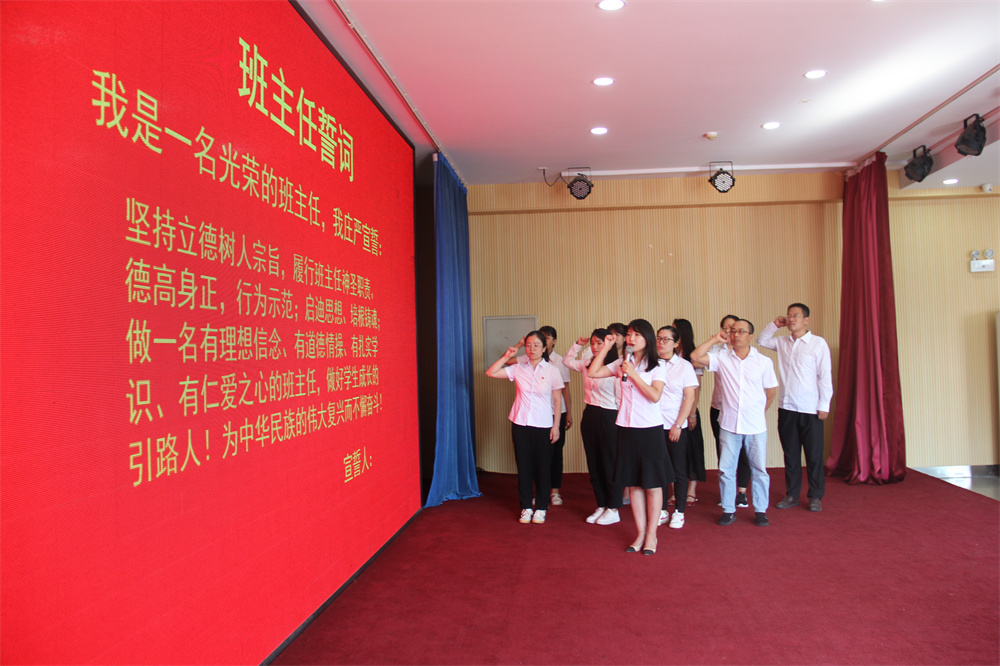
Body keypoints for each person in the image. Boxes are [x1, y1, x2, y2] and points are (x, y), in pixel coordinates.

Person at [588, 319, 671, 554]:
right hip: (626, 427)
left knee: (652, 484)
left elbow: (654, 396)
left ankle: (652, 535)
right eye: (629, 335)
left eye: (636, 335)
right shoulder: (623, 362)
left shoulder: (657, 365)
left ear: (647, 338)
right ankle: (640, 533)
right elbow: (593, 372)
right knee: (633, 484)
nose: (631, 339)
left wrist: (633, 374)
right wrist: (607, 346)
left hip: (649, 429)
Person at [692, 318, 778, 527]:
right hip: (729, 424)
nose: (736, 335)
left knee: (759, 469)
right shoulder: (722, 358)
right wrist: (715, 339)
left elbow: (770, 392)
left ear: (750, 336)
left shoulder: (763, 362)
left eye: (741, 331)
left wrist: (757, 412)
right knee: (726, 469)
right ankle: (728, 510)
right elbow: (695, 357)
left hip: (755, 425)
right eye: (733, 331)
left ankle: (760, 510)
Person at [757, 303, 833, 512]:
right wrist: (775, 324)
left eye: (796, 315)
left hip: (811, 409)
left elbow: (825, 376)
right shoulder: (782, 342)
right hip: (787, 407)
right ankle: (792, 494)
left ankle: (815, 496)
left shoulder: (818, 343)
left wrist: (824, 404)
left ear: (806, 320)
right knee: (790, 454)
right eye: (789, 315)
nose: (791, 319)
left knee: (814, 455)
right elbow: (761, 340)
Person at [486, 331, 563, 524]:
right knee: (524, 467)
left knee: (543, 468)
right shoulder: (519, 368)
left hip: (544, 425)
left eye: (536, 345)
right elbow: (491, 372)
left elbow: (557, 401)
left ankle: (542, 508)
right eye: (528, 345)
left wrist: (556, 426)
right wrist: (507, 355)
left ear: (544, 348)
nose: (532, 348)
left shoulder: (552, 371)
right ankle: (526, 507)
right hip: (520, 423)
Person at [563, 328, 622, 525]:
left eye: (600, 343)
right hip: (590, 414)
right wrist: (577, 345)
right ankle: (601, 505)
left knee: (609, 462)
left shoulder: (616, 366)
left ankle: (613, 508)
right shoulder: (587, 363)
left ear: (609, 344)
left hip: (610, 415)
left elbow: (620, 398)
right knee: (594, 463)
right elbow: (567, 361)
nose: (595, 347)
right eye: (593, 343)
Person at [702, 315, 752, 508]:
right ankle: (727, 493)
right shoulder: (718, 352)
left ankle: (742, 492)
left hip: (742, 410)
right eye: (726, 328)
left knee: (744, 452)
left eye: (734, 328)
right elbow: (696, 360)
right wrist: (713, 340)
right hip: (719, 407)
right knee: (724, 452)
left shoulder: (748, 354)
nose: (731, 332)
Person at [656, 326, 699, 529]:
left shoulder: (684, 366)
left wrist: (678, 425)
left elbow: (689, 398)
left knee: (678, 469)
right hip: (654, 425)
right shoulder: (651, 363)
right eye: (658, 338)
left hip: (675, 424)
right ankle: (662, 510)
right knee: (659, 469)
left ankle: (679, 511)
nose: (661, 342)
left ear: (676, 343)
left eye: (666, 339)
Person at [672, 318, 706, 505]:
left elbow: (696, 389)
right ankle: (675, 491)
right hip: (670, 413)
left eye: (675, 330)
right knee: (673, 452)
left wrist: (692, 413)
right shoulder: (668, 355)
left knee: (692, 450)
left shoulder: (692, 356)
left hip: (688, 410)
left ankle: (691, 491)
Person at [538, 326, 572, 507]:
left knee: (556, 453)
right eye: (542, 336)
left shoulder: (560, 361)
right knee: (540, 454)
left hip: (558, 412)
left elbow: (565, 389)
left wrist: (569, 413)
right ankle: (541, 491)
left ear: (554, 340)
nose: (545, 339)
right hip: (539, 413)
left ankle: (555, 491)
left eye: (548, 337)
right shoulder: (533, 359)